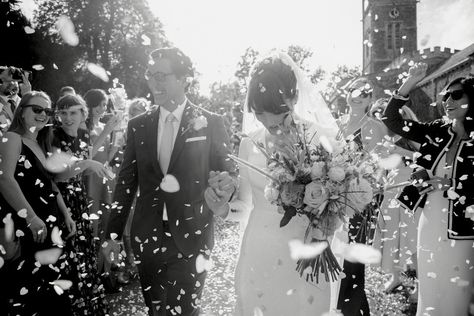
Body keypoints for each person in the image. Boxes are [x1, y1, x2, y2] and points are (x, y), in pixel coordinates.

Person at [104, 47, 237, 316]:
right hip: (147, 237)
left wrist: (226, 185)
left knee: (184, 311)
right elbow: (126, 184)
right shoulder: (138, 125)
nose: (154, 82)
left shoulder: (211, 123)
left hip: (192, 236)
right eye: (151, 75)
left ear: (183, 78)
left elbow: (229, 172)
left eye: (162, 76)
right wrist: (112, 236)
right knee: (157, 312)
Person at [228, 52, 343, 315]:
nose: (269, 122)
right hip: (258, 252)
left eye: (276, 112)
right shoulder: (249, 143)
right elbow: (244, 207)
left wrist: (323, 231)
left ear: (293, 98)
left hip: (305, 254)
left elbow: (340, 204)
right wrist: (222, 208)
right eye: (259, 113)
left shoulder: (321, 139)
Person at [383, 62, 474, 316]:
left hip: (465, 227)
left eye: (457, 95)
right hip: (430, 218)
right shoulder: (437, 132)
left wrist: (452, 185)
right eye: (445, 96)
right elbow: (391, 120)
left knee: (458, 290)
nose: (448, 100)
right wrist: (410, 81)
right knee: (431, 285)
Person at [0, 91, 76, 315]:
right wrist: (31, 217)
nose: (43, 115)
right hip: (29, 227)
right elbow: (4, 179)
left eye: (47, 111)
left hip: (50, 227)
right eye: (37, 109)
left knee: (53, 290)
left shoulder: (40, 143)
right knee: (29, 292)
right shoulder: (12, 138)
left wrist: (67, 214)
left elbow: (51, 186)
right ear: (21, 111)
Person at [53, 94, 112, 315]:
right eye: (63, 113)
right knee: (68, 259)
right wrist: (88, 162)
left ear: (83, 114)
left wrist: (108, 131)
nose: (68, 118)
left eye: (73, 112)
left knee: (83, 257)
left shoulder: (83, 134)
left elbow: (85, 158)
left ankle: (88, 308)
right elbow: (58, 176)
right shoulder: (53, 135)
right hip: (60, 203)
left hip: (79, 201)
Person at [336, 77, 384, 316]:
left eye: (363, 94)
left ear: (369, 100)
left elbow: (379, 166)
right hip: (332, 199)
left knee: (353, 259)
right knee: (336, 254)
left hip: (360, 201)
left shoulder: (374, 127)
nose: (356, 96)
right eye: (352, 91)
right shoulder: (335, 124)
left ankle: (353, 311)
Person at [370, 98, 421, 294]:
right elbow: (383, 166)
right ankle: (396, 276)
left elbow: (426, 158)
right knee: (391, 235)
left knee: (411, 237)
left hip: (410, 189)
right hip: (391, 189)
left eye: (382, 114)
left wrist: (400, 150)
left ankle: (420, 283)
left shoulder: (410, 134)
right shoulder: (383, 138)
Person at [0, 66, 31, 133]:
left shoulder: (25, 100)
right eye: (6, 80)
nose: (12, 82)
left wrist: (27, 97)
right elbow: (8, 131)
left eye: (13, 76)